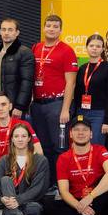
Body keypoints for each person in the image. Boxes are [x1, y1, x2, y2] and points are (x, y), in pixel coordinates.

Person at [45, 116, 108, 215]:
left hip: (97, 199)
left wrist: (91, 196)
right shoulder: (63, 158)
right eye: (76, 130)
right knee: (48, 202)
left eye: (85, 130)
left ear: (91, 134)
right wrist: (78, 206)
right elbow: (64, 191)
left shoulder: (100, 150)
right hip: (77, 201)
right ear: (70, 134)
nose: (80, 133)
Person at [30, 14, 78, 171]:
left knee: (60, 147)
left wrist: (65, 109)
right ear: (43, 28)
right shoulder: (36, 48)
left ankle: (61, 182)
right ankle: (47, 181)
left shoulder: (67, 51)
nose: (51, 29)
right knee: (42, 147)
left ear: (61, 30)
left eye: (55, 27)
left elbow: (71, 82)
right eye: (49, 26)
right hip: (37, 105)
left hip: (57, 105)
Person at [0, 123, 49, 215]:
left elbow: (38, 188)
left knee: (35, 210)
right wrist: (1, 199)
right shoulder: (4, 160)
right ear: (12, 139)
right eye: (16, 136)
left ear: (29, 139)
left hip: (28, 202)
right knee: (5, 180)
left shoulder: (40, 160)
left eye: (24, 136)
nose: (20, 139)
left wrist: (18, 200)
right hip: (7, 201)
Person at [71, 34, 108, 147]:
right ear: (86, 48)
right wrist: (74, 114)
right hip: (81, 112)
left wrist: (107, 121)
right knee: (80, 144)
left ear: (102, 49)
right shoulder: (82, 68)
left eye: (98, 46)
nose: (94, 48)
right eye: (91, 46)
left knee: (96, 145)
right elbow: (77, 93)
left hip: (99, 114)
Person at [0, 92, 42, 173]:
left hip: (23, 171)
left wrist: (28, 171)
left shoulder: (24, 125)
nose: (0, 108)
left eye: (3, 104)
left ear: (10, 106)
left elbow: (39, 152)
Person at [0, 18, 34, 120]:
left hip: (14, 108)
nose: (6, 33)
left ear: (17, 32)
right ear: (0, 32)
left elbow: (27, 82)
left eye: (10, 30)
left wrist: (19, 106)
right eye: (4, 29)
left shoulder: (25, 52)